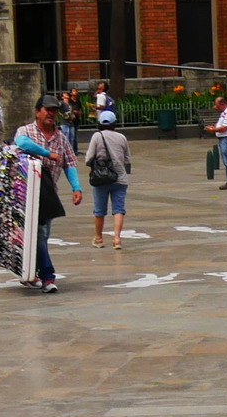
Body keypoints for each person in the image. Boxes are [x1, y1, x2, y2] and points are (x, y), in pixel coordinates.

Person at [10, 95, 82, 293]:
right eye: (47, 110)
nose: (51, 114)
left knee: (42, 235)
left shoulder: (61, 137)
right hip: (24, 194)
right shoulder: (26, 131)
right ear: (37, 111)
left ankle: (31, 271)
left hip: (48, 195)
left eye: (54, 111)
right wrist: (47, 153)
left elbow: (70, 163)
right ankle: (48, 276)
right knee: (37, 235)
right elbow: (22, 143)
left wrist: (76, 188)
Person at [83, 109, 134, 249]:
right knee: (118, 209)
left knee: (99, 210)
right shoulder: (122, 137)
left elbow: (89, 157)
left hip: (100, 179)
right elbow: (127, 159)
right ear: (114, 123)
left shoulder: (97, 136)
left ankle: (99, 238)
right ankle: (117, 239)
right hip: (120, 179)